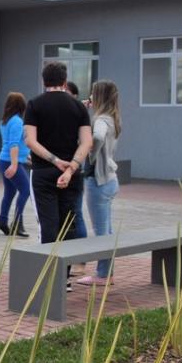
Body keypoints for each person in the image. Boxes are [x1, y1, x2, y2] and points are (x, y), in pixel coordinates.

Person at [24, 62, 92, 292]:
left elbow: (30, 141)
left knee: (48, 225)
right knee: (68, 224)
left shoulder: (34, 104)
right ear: (65, 81)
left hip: (43, 172)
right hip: (72, 174)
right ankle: (64, 279)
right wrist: (71, 167)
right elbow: (87, 142)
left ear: (44, 81)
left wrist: (53, 160)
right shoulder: (78, 107)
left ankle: (49, 278)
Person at [77, 80, 122, 286]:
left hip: (99, 181)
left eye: (93, 94)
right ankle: (106, 272)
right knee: (107, 230)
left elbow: (97, 135)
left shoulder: (101, 120)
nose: (90, 97)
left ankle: (103, 275)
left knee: (101, 232)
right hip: (111, 180)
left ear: (100, 96)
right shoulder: (112, 117)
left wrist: (90, 154)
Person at [0, 93, 31, 238]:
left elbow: (14, 143)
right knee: (26, 190)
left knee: (9, 193)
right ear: (21, 106)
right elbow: (14, 144)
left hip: (4, 160)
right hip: (10, 161)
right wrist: (15, 164)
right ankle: (17, 222)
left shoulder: (5, 121)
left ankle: (2, 222)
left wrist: (25, 157)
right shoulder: (16, 121)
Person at [65, 82, 89, 276]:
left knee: (76, 214)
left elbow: (87, 141)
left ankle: (80, 260)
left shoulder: (78, 114)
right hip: (63, 170)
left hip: (74, 170)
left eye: (66, 94)